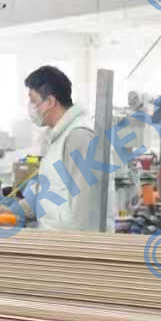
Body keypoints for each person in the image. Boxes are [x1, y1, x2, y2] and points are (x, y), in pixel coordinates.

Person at [18, 65, 106, 231]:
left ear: (50, 102)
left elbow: (84, 210)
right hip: (53, 239)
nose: (31, 107)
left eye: (34, 101)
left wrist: (74, 246)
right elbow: (50, 190)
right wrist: (14, 210)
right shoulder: (57, 137)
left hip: (69, 244)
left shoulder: (79, 136)